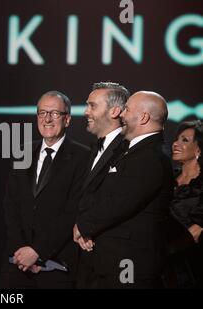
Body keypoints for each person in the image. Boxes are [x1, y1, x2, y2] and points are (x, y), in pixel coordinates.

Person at [74, 91, 174, 288]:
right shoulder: (136, 152)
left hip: (129, 264)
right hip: (114, 262)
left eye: (127, 109)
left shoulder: (150, 157)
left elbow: (119, 202)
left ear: (144, 117)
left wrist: (83, 226)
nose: (122, 115)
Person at [0, 91, 89, 288]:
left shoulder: (82, 157)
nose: (47, 119)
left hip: (56, 265)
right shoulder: (22, 152)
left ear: (67, 120)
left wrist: (37, 252)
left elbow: (72, 212)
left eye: (55, 113)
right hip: (18, 263)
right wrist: (22, 252)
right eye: (42, 113)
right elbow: (10, 205)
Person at [74, 82, 130, 288]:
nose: (86, 112)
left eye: (92, 106)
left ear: (115, 111)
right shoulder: (92, 150)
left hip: (114, 259)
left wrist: (86, 228)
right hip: (86, 258)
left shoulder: (129, 150)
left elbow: (119, 199)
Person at [163, 120, 203, 288]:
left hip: (190, 265)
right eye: (177, 139)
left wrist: (165, 252)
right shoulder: (167, 178)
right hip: (162, 264)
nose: (175, 144)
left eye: (184, 140)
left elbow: (197, 230)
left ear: (198, 149)